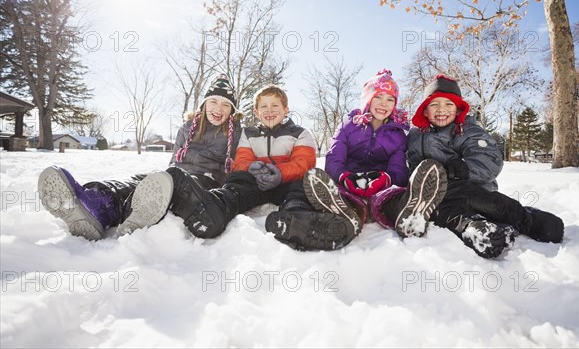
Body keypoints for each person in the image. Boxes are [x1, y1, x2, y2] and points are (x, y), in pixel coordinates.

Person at [38, 74, 242, 240]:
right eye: (213, 101)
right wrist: (163, 179)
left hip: (204, 182)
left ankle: (131, 214)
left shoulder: (238, 133)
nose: (219, 109)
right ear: (204, 104)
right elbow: (174, 161)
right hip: (176, 173)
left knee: (173, 182)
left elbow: (243, 163)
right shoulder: (187, 128)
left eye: (226, 104)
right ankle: (95, 201)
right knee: (143, 180)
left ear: (232, 110)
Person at [266, 69, 448, 251]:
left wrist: (385, 179)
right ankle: (346, 215)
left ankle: (409, 215)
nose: (384, 104)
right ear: (368, 99)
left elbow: (399, 170)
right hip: (349, 186)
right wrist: (345, 177)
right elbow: (334, 159)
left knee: (393, 198)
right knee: (341, 194)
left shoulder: (398, 134)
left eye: (390, 99)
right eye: (378, 97)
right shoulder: (348, 125)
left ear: (395, 104)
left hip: (382, 189)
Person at [406, 74, 564, 258]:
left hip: (471, 188)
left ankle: (525, 219)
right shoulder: (414, 136)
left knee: (485, 203)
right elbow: (409, 164)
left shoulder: (466, 131)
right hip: (437, 197)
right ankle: (479, 230)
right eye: (434, 104)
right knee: (446, 215)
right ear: (425, 111)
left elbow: (489, 159)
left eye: (449, 104)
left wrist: (464, 168)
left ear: (458, 110)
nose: (442, 110)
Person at [169, 84, 343, 248]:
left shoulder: (300, 134)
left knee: (301, 186)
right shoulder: (249, 134)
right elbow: (241, 161)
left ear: (285, 110)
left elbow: (303, 163)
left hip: (287, 183)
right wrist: (251, 168)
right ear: (256, 112)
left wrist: (280, 173)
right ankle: (216, 209)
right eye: (264, 107)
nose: (269, 111)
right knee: (238, 181)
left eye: (275, 106)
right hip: (257, 183)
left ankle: (295, 220)